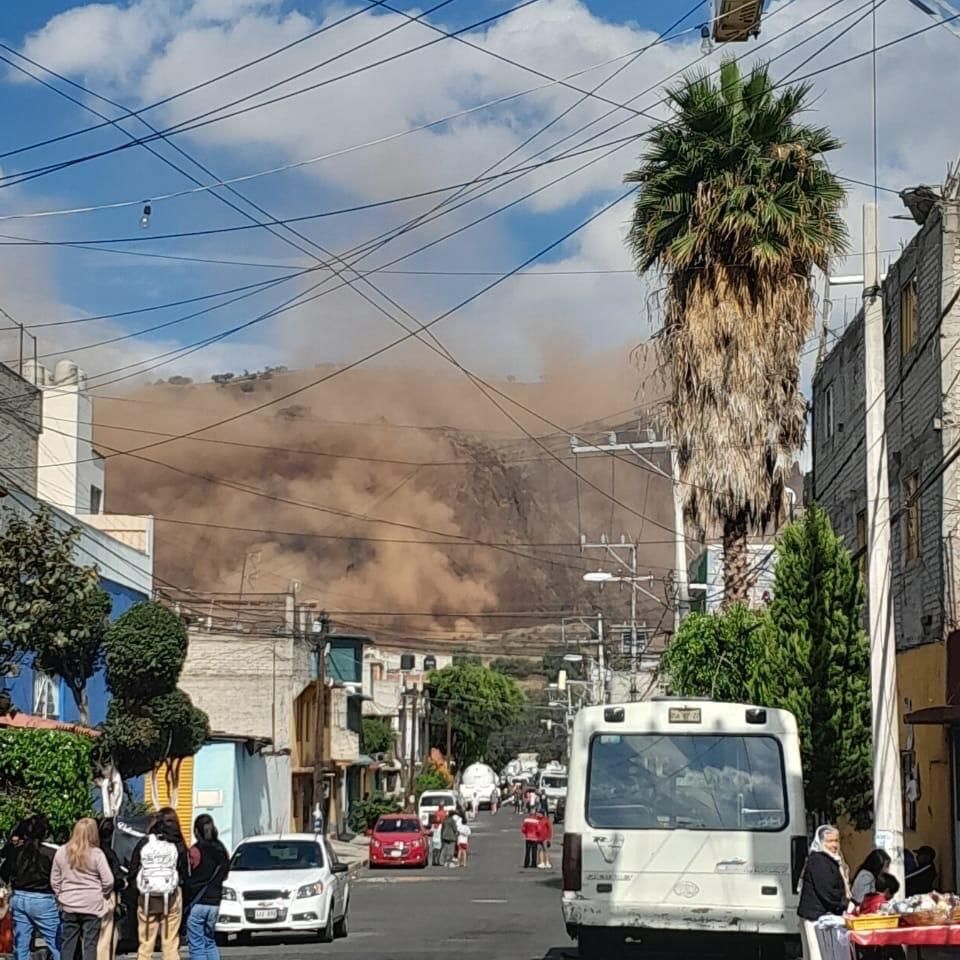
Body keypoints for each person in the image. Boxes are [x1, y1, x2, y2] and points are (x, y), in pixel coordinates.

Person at [129, 810, 190, 960]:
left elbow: (133, 868)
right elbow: (185, 872)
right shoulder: (177, 843)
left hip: (147, 896)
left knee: (146, 942)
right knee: (170, 942)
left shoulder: (145, 842)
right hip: (171, 895)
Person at [51, 818, 114, 960]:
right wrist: (104, 895)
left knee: (68, 944)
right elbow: (108, 880)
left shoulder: (61, 852)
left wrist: (60, 894)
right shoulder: (97, 854)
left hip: (69, 904)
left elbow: (54, 880)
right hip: (92, 905)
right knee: (90, 945)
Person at [0, 815, 61, 960]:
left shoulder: (16, 851)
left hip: (19, 897)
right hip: (43, 898)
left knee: (21, 945)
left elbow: (4, 873)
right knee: (57, 943)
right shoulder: (51, 853)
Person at [798, 825, 849, 960]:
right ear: (821, 842)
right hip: (815, 917)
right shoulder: (818, 860)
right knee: (817, 955)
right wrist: (845, 906)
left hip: (822, 916)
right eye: (830, 841)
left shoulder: (831, 859)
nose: (834, 845)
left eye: (836, 841)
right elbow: (827, 891)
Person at [184, 815, 229, 960]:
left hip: (198, 901)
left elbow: (188, 873)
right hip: (215, 902)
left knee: (197, 944)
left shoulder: (195, 851)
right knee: (209, 941)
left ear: (197, 831)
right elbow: (225, 873)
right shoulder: (221, 849)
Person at [96, 818, 125, 960]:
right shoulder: (109, 854)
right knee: (107, 934)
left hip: (85, 897)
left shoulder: (86, 852)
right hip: (107, 895)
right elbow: (114, 878)